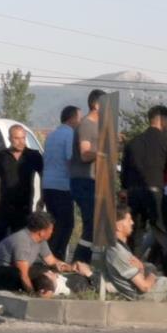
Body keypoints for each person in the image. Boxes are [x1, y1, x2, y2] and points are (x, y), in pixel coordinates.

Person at [120, 105, 167, 269]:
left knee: (134, 234)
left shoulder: (133, 143)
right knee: (163, 232)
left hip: (134, 194)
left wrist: (125, 190)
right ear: (162, 120)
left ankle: (131, 270)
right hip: (155, 193)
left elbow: (124, 171)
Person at [0, 211, 74, 294]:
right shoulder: (22, 241)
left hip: (12, 271)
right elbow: (23, 274)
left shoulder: (41, 241)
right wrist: (32, 294)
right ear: (41, 232)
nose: (52, 232)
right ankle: (36, 292)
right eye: (51, 230)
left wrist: (71, 268)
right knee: (26, 273)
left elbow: (52, 261)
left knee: (45, 270)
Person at [0, 125, 44, 249]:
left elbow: (44, 177)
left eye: (23, 138)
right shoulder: (1, 156)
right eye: (17, 138)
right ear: (10, 138)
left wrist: (43, 198)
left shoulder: (33, 156)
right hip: (3, 206)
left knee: (21, 243)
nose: (21, 141)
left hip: (24, 206)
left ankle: (17, 267)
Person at [69, 89, 104, 264]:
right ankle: (79, 261)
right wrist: (103, 151)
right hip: (84, 181)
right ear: (97, 105)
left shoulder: (96, 126)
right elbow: (84, 154)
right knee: (91, 224)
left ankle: (85, 262)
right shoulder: (87, 125)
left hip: (93, 181)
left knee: (95, 224)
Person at [42, 106, 80, 261]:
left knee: (53, 225)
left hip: (48, 185)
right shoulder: (70, 135)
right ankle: (56, 258)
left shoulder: (51, 136)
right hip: (62, 186)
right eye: (79, 118)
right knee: (66, 225)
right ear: (72, 119)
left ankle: (50, 257)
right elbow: (71, 159)